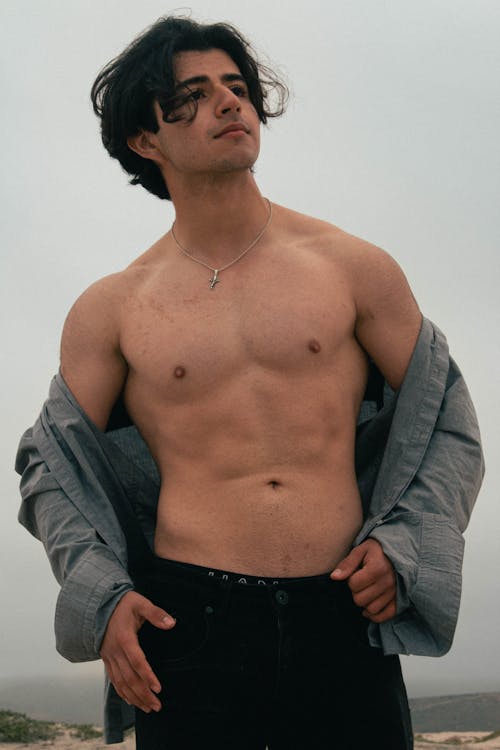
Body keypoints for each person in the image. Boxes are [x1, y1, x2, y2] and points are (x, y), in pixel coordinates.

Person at [16, 15, 484, 750]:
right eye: (193, 95)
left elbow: (449, 422)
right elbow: (51, 467)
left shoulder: (352, 267)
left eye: (237, 88)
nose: (230, 104)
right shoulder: (114, 307)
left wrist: (404, 545)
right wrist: (101, 596)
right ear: (146, 138)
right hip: (189, 622)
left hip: (344, 612)